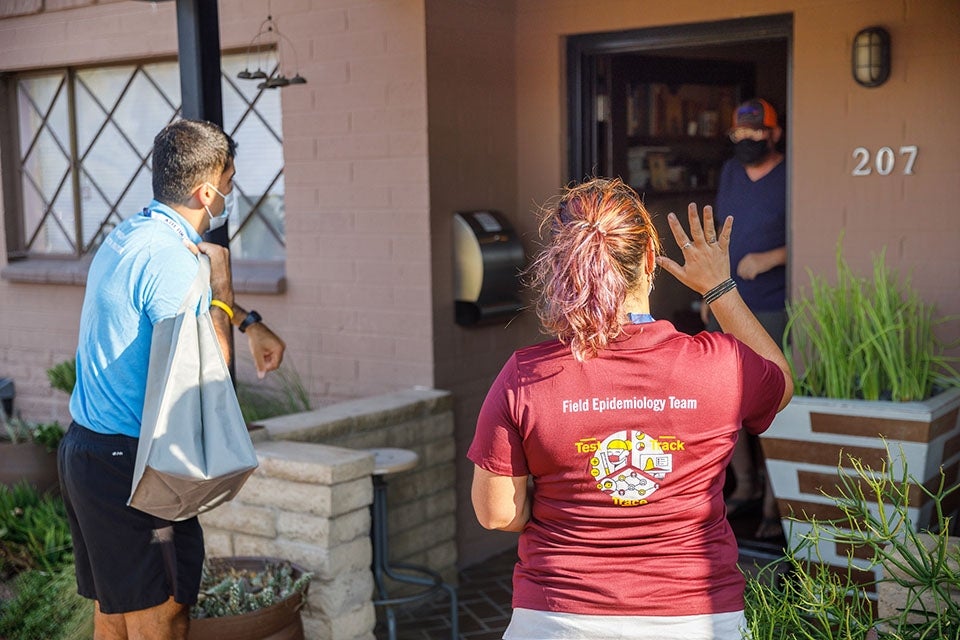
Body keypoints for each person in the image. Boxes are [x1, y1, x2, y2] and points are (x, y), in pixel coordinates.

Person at [468, 177, 793, 639]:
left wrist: (568, 495)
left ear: (565, 266)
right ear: (648, 261)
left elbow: (498, 513)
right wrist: (719, 287)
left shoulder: (526, 375)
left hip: (558, 616)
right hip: (696, 619)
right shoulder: (721, 365)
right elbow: (779, 382)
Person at [59, 119, 286, 640]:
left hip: (88, 455)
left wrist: (249, 322)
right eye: (228, 183)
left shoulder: (134, 234)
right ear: (206, 191)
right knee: (163, 619)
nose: (229, 194)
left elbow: (177, 303)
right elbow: (210, 376)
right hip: (135, 471)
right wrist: (225, 281)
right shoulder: (173, 259)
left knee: (115, 618)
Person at [703, 98, 787, 540]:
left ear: (774, 133)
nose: (750, 139)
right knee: (724, 399)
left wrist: (772, 257)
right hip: (726, 298)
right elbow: (719, 232)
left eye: (758, 132)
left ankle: (776, 504)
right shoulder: (732, 173)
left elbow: (813, 231)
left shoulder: (791, 175)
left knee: (771, 401)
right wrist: (709, 288)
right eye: (742, 133)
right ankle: (747, 486)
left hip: (772, 304)